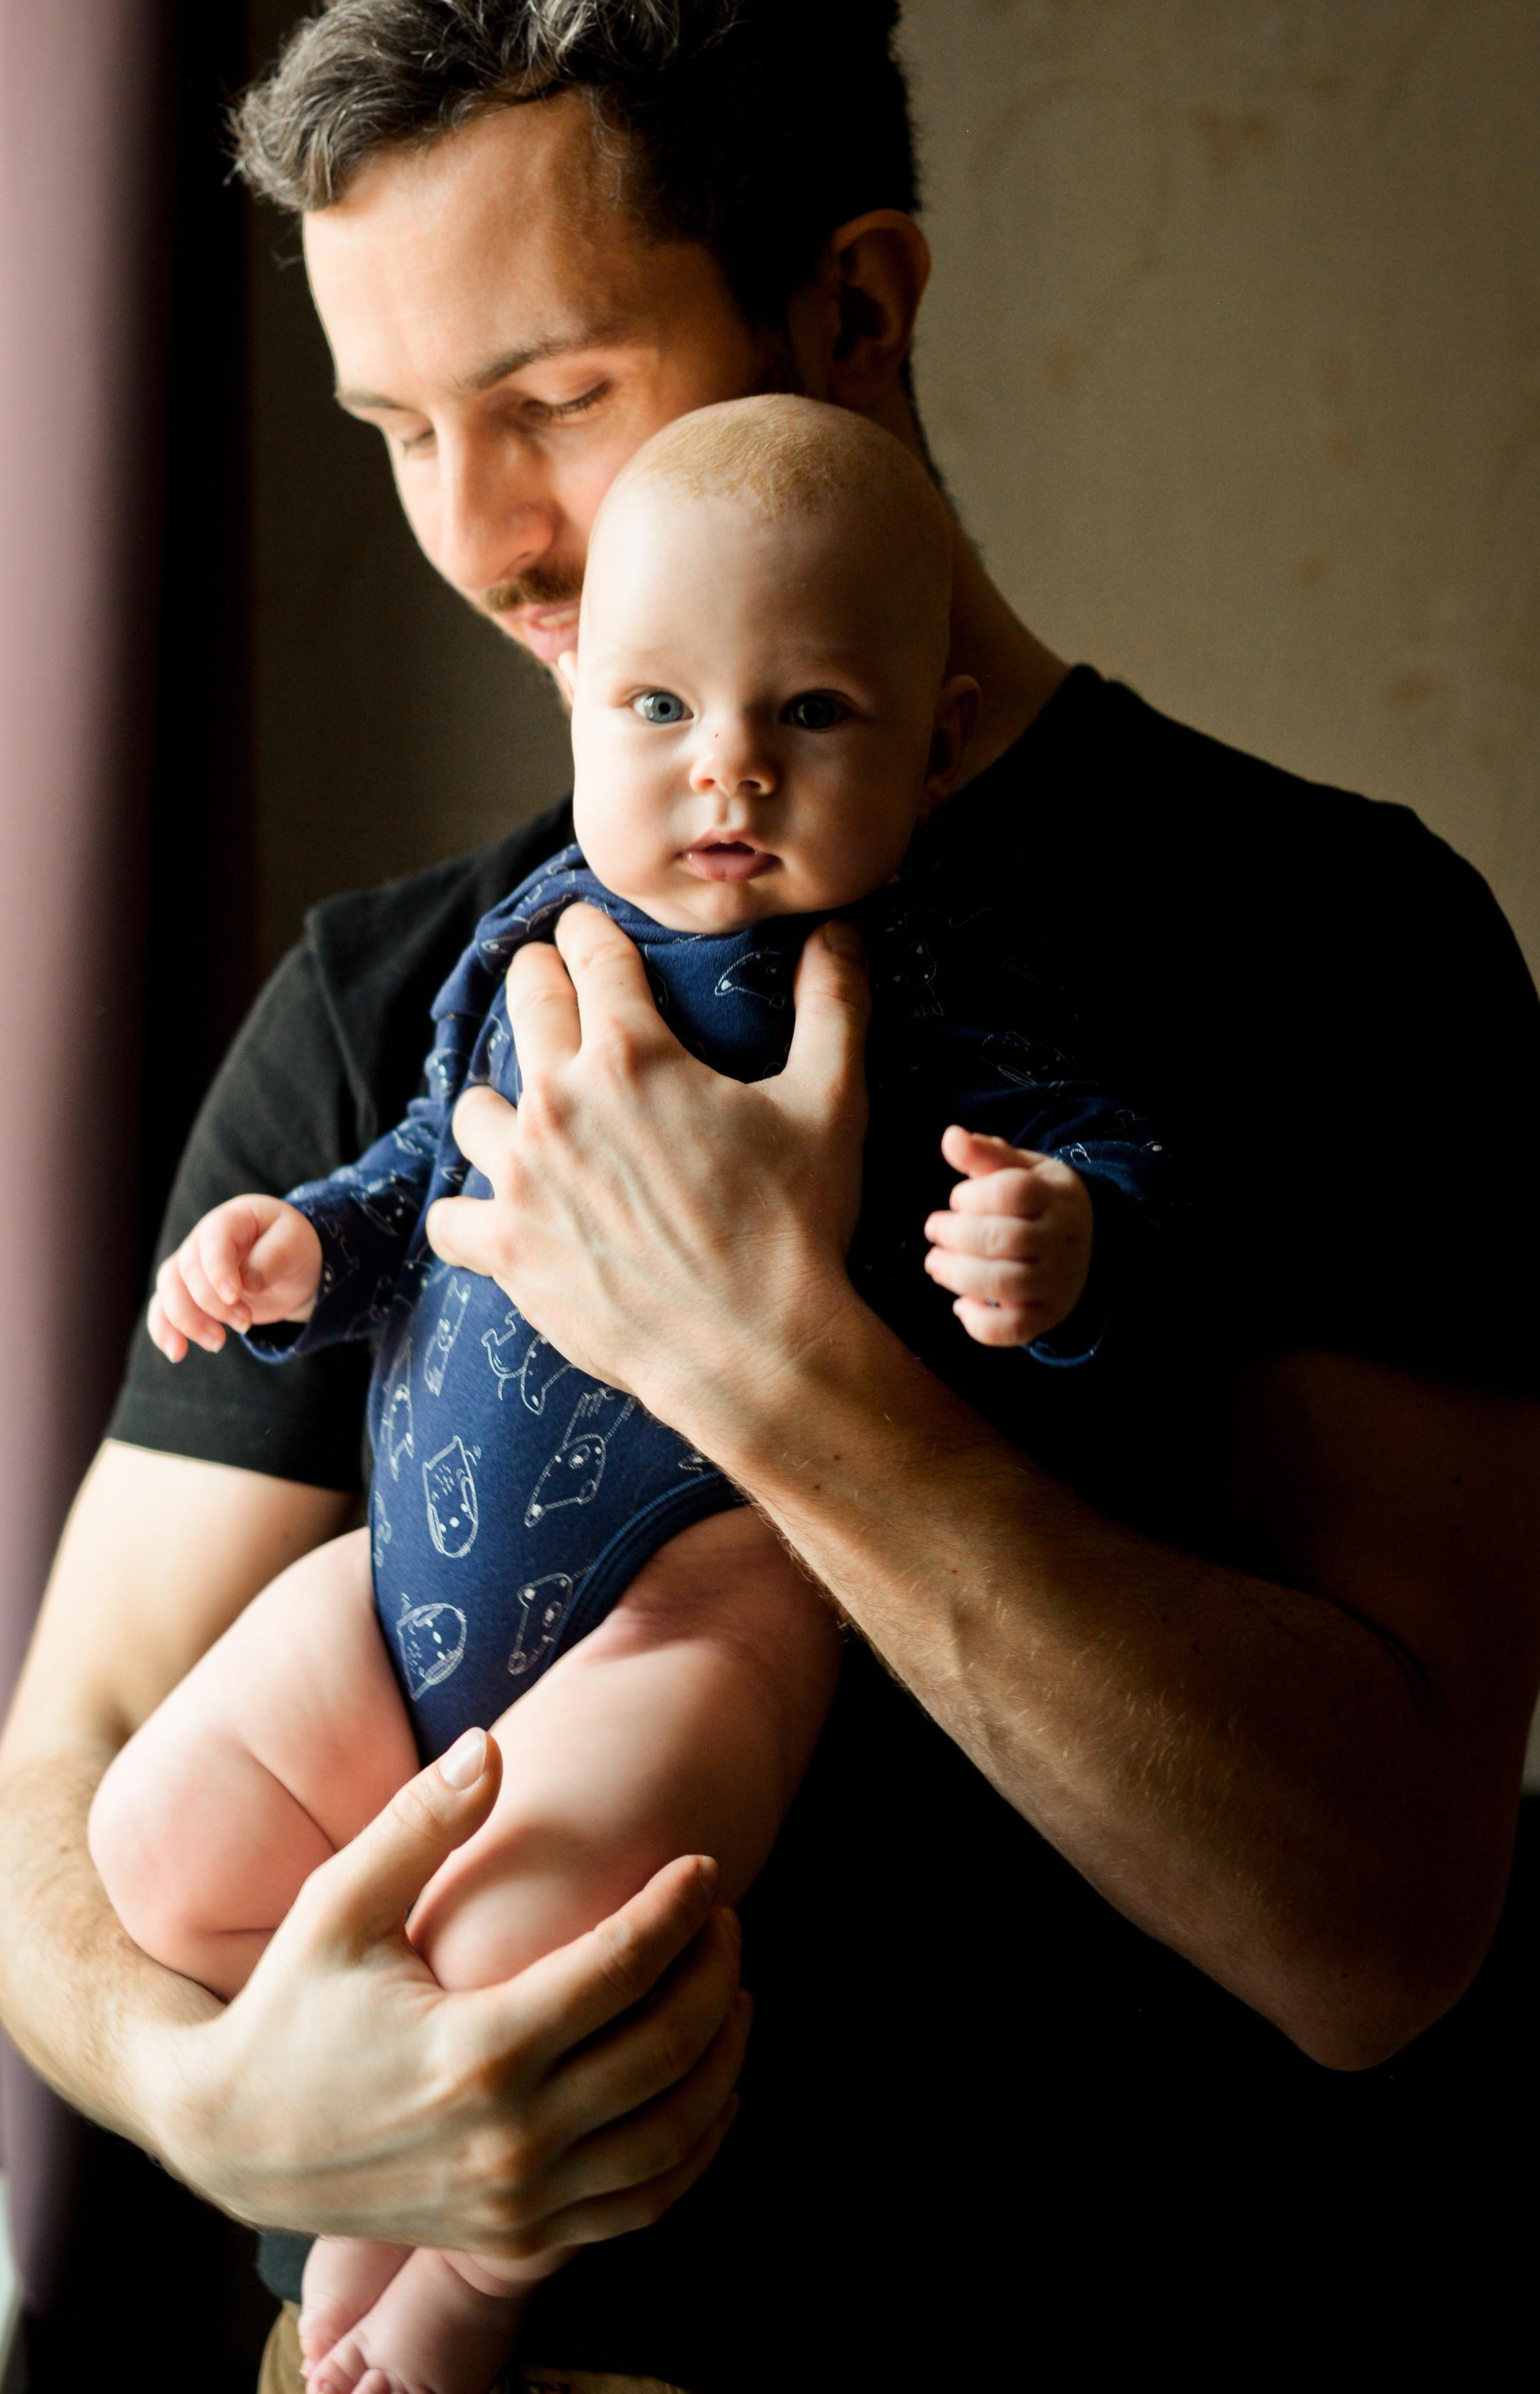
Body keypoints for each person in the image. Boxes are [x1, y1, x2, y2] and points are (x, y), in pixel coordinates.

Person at [0, 0, 1540, 2391]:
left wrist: (768, 1357)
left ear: (858, 308)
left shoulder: (1331, 950)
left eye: (556, 401)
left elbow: (1383, 1937)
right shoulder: (391, 998)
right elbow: (64, 1784)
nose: (482, 536)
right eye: (401, 430)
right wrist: (212, 2095)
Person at [91, 396, 1170, 2394]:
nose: (728, 766)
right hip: (402, 1591)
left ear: (935, 744)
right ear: (579, 696)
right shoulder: (522, 941)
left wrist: (1065, 1237)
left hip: (695, 1604)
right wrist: (301, 1250)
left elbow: (1104, 1152)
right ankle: (359, 2125)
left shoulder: (926, 985)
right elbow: (423, 1168)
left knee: (533, 1938)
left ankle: (451, 2292)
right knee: (159, 1839)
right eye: (661, 705)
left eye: (813, 714)